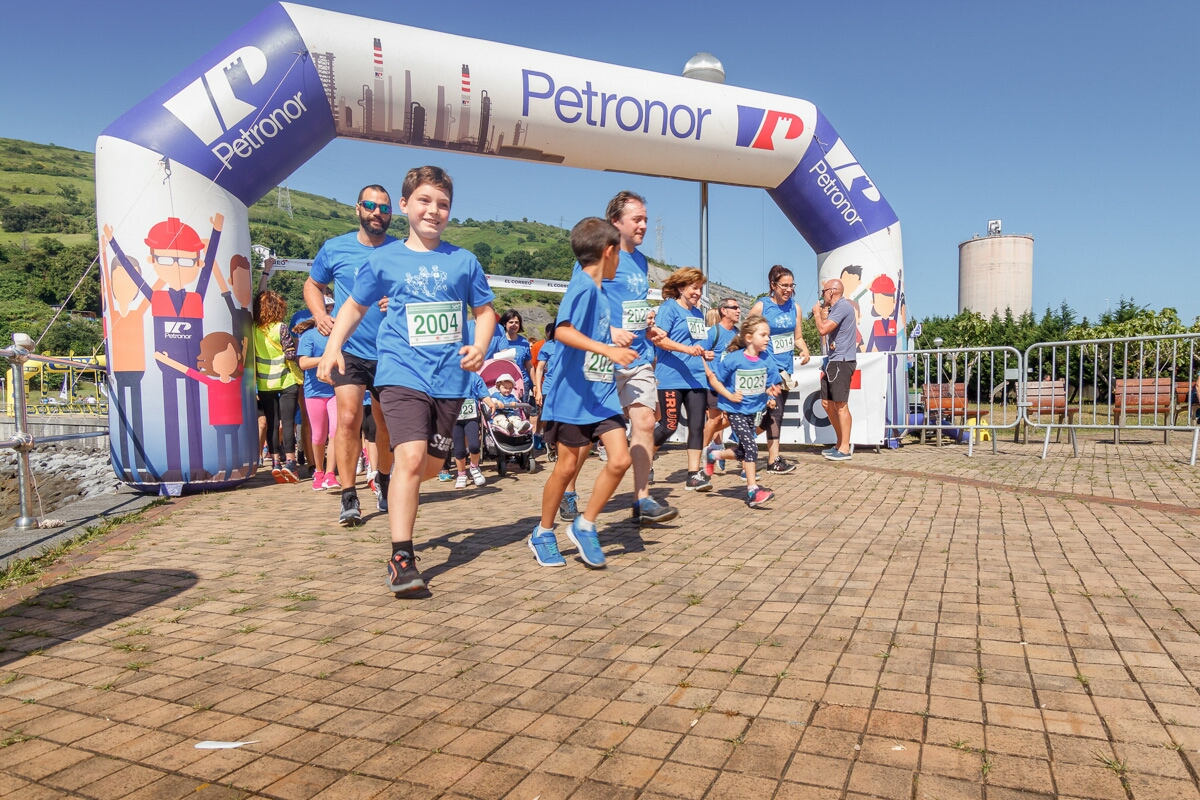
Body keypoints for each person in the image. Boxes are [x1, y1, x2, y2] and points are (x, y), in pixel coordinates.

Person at [318, 166, 497, 597]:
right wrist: (332, 346)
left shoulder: (463, 261)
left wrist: (482, 346)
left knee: (431, 466)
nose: (433, 210)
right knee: (411, 458)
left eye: (442, 204)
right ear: (405, 206)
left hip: (450, 380)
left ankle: (408, 488)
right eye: (424, 201)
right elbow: (355, 307)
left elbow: (486, 312)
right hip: (400, 370)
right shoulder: (383, 258)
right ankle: (402, 556)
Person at [531, 217, 636, 569]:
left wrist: (615, 334)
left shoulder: (599, 291)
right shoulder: (582, 286)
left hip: (601, 393)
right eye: (619, 253)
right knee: (566, 467)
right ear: (608, 252)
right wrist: (609, 351)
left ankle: (585, 524)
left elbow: (593, 327)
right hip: (573, 394)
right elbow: (562, 332)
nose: (620, 260)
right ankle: (543, 532)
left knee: (620, 460)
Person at [305, 184, 398, 525]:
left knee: (385, 423)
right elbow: (313, 285)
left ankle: (384, 480)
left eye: (384, 208)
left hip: (390, 350)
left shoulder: (402, 250)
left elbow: (417, 293)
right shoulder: (335, 248)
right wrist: (320, 316)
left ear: (392, 214)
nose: (377, 212)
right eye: (371, 205)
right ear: (358, 208)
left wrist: (400, 301)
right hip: (350, 350)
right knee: (347, 418)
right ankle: (348, 495)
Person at [597, 191, 676, 524]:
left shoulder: (642, 262)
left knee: (645, 422)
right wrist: (610, 329)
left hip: (638, 356)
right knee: (582, 436)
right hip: (601, 357)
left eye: (645, 219)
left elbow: (634, 306)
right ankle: (568, 491)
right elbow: (586, 298)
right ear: (616, 221)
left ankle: (641, 499)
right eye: (637, 219)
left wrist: (650, 325)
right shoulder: (600, 254)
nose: (644, 225)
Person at [706, 315, 783, 508]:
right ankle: (753, 491)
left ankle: (714, 456)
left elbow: (771, 385)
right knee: (751, 448)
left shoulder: (767, 360)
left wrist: (772, 397)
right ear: (749, 338)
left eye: (769, 335)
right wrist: (729, 396)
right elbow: (714, 380)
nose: (768, 338)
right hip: (735, 410)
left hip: (753, 411)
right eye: (763, 335)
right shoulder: (734, 359)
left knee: (742, 451)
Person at [652, 267, 716, 491]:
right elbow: (659, 340)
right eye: (694, 288)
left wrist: (705, 353)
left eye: (700, 288)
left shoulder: (698, 314)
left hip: (696, 378)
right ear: (680, 287)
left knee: (697, 426)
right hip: (670, 377)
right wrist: (687, 350)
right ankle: (643, 457)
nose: (698, 292)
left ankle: (693, 475)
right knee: (669, 425)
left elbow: (699, 343)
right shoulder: (668, 309)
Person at [750, 265, 812, 474]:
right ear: (773, 285)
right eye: (784, 285)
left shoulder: (795, 307)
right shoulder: (762, 306)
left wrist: (804, 349)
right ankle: (772, 459)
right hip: (766, 366)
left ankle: (744, 444)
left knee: (772, 415)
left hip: (785, 368)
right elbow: (746, 335)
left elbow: (797, 337)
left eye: (791, 285)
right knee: (773, 412)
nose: (788, 289)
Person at [253, 290, 301, 481]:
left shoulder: (254, 328)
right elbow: (290, 354)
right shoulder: (281, 328)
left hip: (264, 382)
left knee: (272, 424)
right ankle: (290, 462)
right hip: (286, 379)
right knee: (287, 422)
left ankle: (275, 462)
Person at [295, 296, 339, 490]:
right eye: (326, 310)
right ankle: (318, 472)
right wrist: (326, 358)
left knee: (336, 432)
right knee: (319, 435)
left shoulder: (341, 335)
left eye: (332, 310)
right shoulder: (309, 336)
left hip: (336, 390)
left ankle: (331, 474)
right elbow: (303, 363)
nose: (330, 313)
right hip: (314, 392)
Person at [813, 278, 857, 461]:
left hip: (841, 361)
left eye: (823, 292)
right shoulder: (835, 309)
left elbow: (823, 330)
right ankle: (840, 443)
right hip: (832, 361)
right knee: (827, 403)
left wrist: (817, 314)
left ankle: (845, 448)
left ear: (832, 291)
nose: (822, 296)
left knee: (840, 405)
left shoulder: (843, 306)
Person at [703, 297, 741, 457]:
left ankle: (709, 445)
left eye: (739, 308)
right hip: (714, 384)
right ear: (724, 311)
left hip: (730, 384)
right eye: (734, 307)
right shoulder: (714, 332)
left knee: (731, 419)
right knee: (715, 419)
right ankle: (702, 451)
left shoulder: (738, 333)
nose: (738, 310)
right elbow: (699, 354)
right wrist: (709, 374)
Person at [452, 372, 489, 489]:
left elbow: (483, 393)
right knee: (459, 450)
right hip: (455, 419)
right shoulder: (446, 376)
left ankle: (474, 467)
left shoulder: (474, 377)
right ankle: (461, 474)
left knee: (474, 445)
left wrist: (491, 403)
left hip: (471, 418)